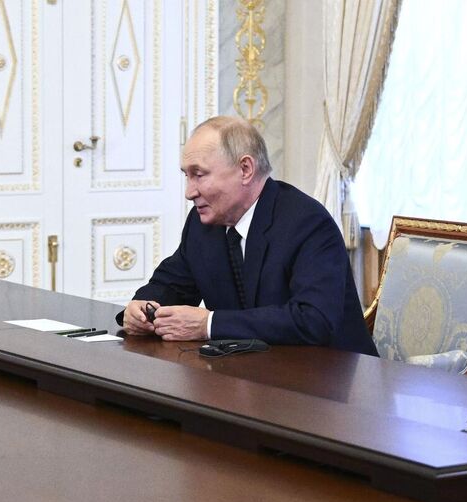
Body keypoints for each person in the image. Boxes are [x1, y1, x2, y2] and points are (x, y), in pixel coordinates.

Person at [119, 116, 377, 355]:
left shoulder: (307, 222)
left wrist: (208, 324)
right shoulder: (203, 224)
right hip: (251, 377)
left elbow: (313, 320)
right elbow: (172, 284)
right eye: (187, 176)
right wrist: (140, 307)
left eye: (199, 175)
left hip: (332, 382)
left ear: (245, 169)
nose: (189, 192)